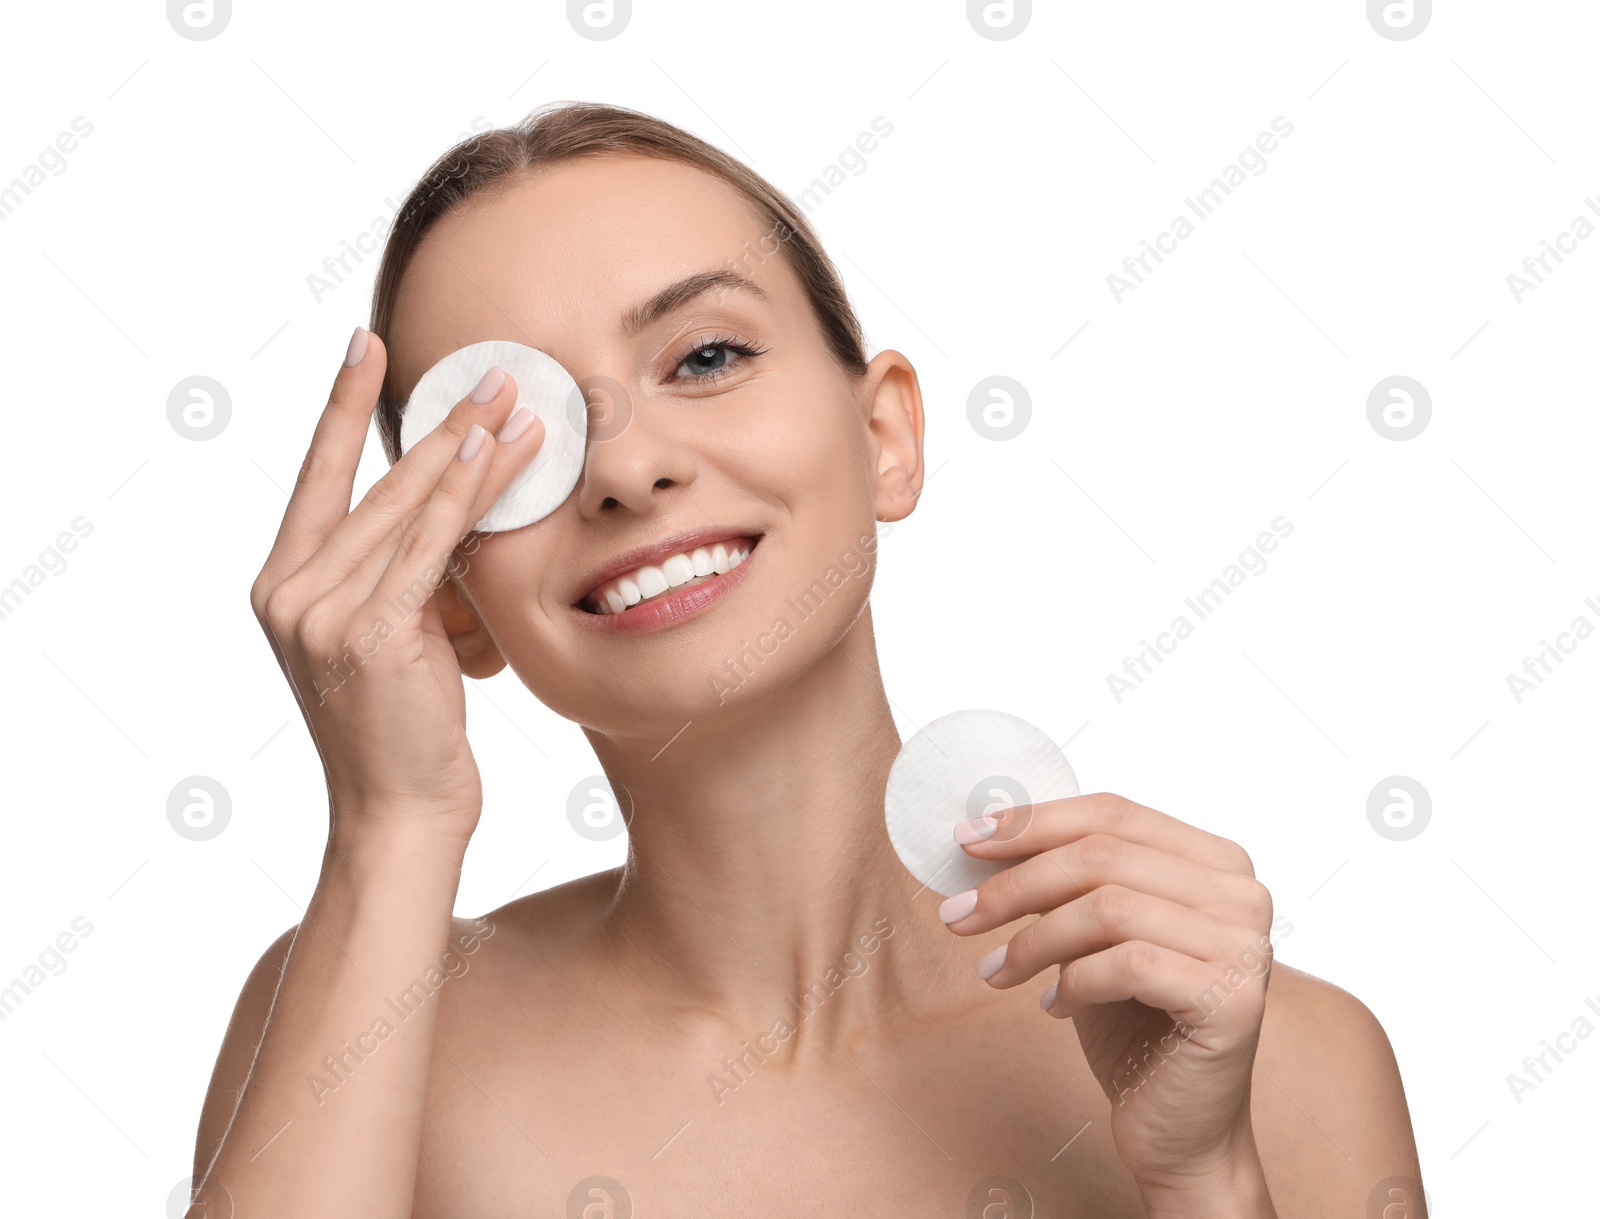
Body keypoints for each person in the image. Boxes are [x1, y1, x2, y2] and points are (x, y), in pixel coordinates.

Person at [189, 102, 1425, 1217]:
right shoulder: (368, 1019)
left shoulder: (1261, 1047)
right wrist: (391, 820)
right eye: (516, 438)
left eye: (705, 357)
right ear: (449, 596)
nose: (626, 467)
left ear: (885, 432)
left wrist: (1204, 1178)